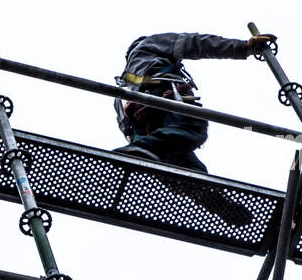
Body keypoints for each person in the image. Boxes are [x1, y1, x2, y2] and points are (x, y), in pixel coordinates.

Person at [113, 31, 275, 226]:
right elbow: (195, 43)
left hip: (146, 126)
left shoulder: (122, 88)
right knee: (191, 127)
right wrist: (244, 47)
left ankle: (212, 198)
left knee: (184, 163)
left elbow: (128, 128)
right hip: (163, 97)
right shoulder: (150, 46)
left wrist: (141, 146)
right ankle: (148, 150)